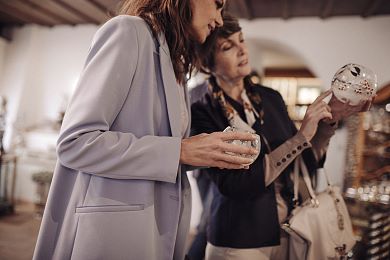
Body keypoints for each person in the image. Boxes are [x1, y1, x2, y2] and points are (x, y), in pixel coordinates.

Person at [32, 1, 260, 259]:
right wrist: (181, 151)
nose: (219, 20)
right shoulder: (127, 32)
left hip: (158, 224)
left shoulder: (177, 64)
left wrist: (208, 152)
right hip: (114, 230)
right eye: (218, 5)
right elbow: (76, 143)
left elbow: (166, 152)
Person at [190, 13, 372, 260]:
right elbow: (237, 185)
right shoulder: (202, 111)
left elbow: (303, 164)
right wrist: (299, 138)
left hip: (289, 230)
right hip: (240, 240)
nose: (242, 50)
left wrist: (328, 123)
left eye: (241, 40)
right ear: (206, 64)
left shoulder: (270, 98)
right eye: (227, 47)